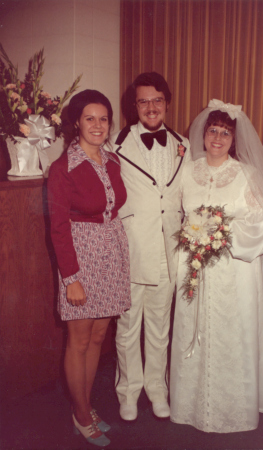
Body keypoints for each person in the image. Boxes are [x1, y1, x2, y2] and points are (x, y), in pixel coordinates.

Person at [170, 99, 263, 433]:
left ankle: (233, 406)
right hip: (194, 267)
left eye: (225, 133)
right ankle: (191, 405)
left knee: (230, 333)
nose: (217, 138)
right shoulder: (188, 171)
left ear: (234, 139)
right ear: (203, 133)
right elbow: (177, 213)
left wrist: (220, 231)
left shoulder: (246, 174)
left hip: (234, 269)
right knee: (195, 331)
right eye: (212, 131)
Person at [48, 90, 131, 447]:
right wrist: (71, 279)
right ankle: (81, 414)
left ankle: (86, 405)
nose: (97, 125)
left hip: (111, 250)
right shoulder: (62, 167)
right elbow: (58, 227)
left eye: (103, 119)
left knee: (99, 337)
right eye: (89, 118)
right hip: (80, 257)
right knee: (79, 340)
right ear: (76, 123)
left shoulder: (112, 161)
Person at [112, 72, 190, 421]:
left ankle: (157, 389)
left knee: (160, 326)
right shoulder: (116, 143)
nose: (151, 107)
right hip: (132, 249)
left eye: (157, 100)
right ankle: (127, 392)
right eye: (143, 101)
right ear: (135, 106)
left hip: (168, 250)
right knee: (128, 326)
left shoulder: (183, 145)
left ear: (167, 103)